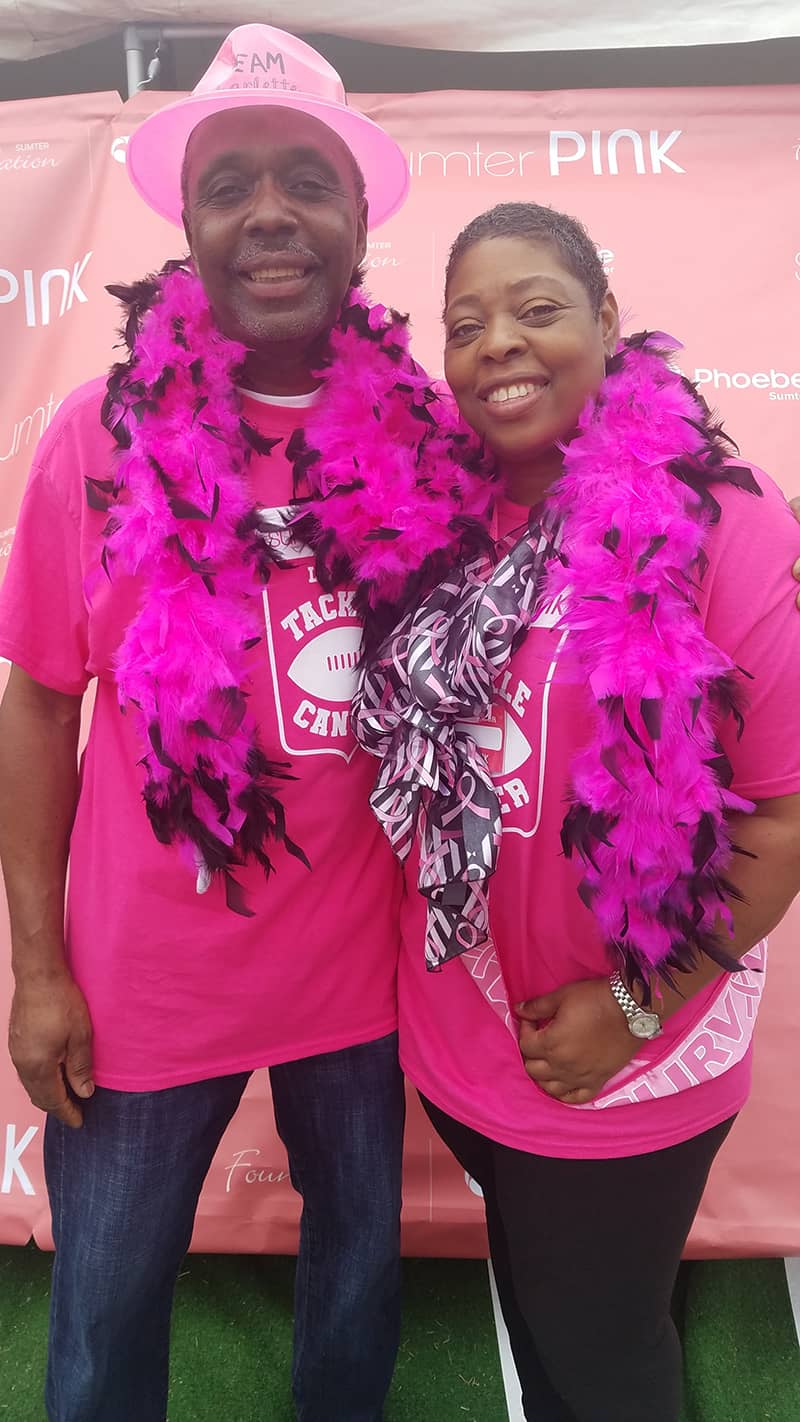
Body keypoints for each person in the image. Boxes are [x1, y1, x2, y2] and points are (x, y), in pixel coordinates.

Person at [0, 24, 456, 1422]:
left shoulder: (431, 433)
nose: (270, 211)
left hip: (361, 980)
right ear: (186, 221)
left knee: (356, 1295)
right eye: (232, 181)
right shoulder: (97, 431)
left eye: (306, 180)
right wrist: (37, 966)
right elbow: (35, 693)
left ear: (358, 215)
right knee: (103, 1324)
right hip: (145, 980)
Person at [352, 202, 800, 1422]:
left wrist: (635, 1005)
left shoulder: (724, 520)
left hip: (624, 1057)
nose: (497, 342)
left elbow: (783, 813)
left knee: (603, 1364)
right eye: (465, 324)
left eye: (536, 310)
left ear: (607, 323)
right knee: (546, 1346)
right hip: (462, 1044)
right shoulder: (438, 528)